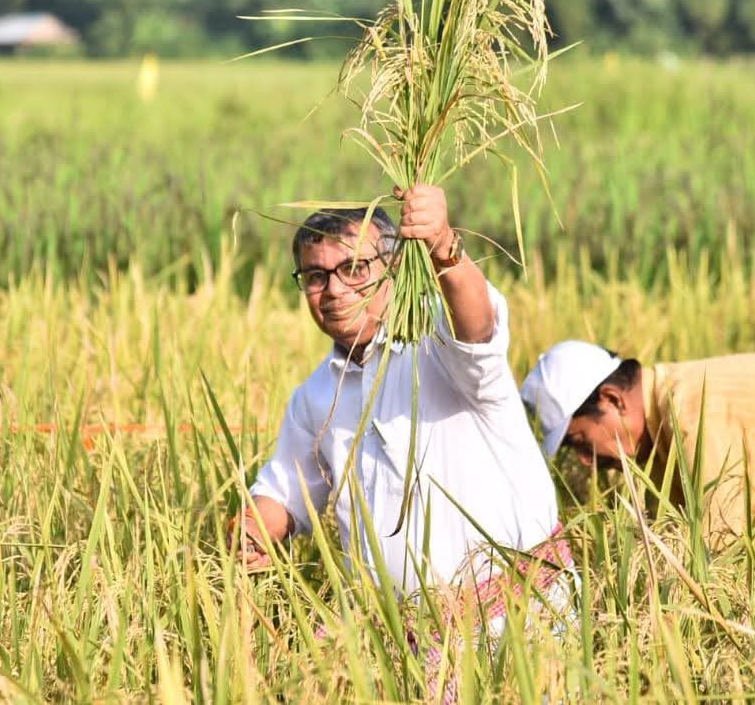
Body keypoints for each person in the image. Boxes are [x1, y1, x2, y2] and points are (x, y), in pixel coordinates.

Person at [232, 184, 570, 617]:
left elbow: (478, 327)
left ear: (395, 267)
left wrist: (443, 244)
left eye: (354, 268)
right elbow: (284, 493)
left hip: (521, 625)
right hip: (405, 645)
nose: (334, 290)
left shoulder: (438, 336)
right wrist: (254, 531)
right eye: (316, 276)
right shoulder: (316, 396)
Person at [520, 340, 755, 543]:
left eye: (581, 440)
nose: (585, 460)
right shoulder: (660, 439)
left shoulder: (691, 411)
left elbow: (722, 537)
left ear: (612, 399)